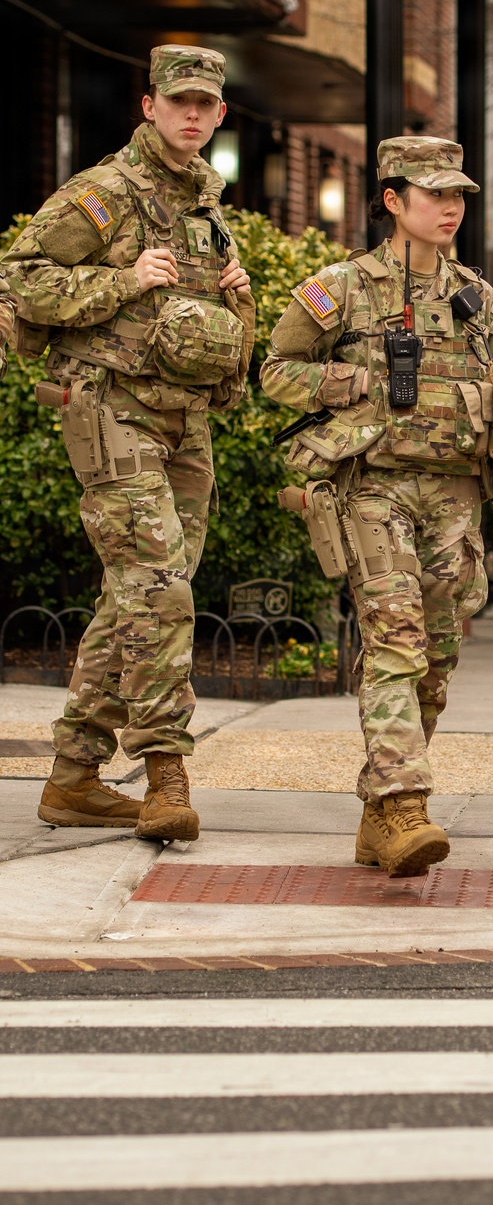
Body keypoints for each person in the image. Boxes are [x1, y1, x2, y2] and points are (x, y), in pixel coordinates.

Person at [261, 136, 493, 877]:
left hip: (453, 494)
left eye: (458, 197)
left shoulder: (480, 301)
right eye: (434, 194)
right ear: (392, 201)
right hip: (373, 487)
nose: (450, 208)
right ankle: (407, 804)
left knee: (437, 658)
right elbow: (275, 370)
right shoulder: (343, 289)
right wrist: (344, 386)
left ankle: (378, 813)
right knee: (395, 643)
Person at [1, 46, 254, 843]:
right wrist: (122, 279)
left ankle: (74, 776)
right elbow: (19, 278)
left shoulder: (207, 205)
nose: (190, 115)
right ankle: (164, 772)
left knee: (137, 597)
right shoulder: (108, 192)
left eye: (204, 105)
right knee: (161, 591)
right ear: (148, 107)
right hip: (111, 411)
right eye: (176, 101)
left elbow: (197, 328)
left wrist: (239, 307)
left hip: (185, 419)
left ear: (219, 116)